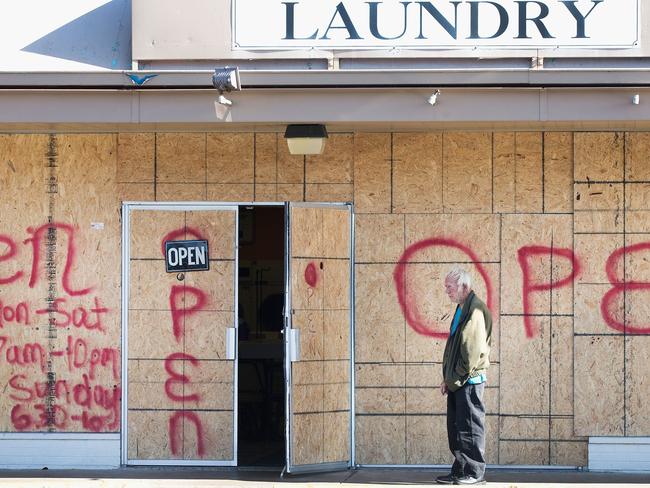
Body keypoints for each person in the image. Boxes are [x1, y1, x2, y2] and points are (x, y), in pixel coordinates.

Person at [436, 267, 492, 485]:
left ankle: (474, 473)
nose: (447, 291)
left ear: (464, 287)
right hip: (458, 381)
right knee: (457, 429)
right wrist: (448, 381)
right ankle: (460, 470)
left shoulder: (475, 311)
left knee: (469, 428)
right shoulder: (462, 308)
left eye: (450, 287)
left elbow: (470, 356)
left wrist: (453, 381)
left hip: (468, 382)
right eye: (446, 287)